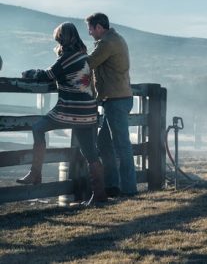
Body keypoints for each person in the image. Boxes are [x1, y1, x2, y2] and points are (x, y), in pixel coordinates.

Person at [17, 22, 107, 205]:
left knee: (38, 128)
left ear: (62, 39)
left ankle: (35, 173)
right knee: (90, 154)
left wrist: (29, 72)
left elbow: (48, 75)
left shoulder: (67, 58)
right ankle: (99, 195)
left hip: (70, 109)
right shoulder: (82, 56)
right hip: (88, 111)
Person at [86, 13, 136, 197]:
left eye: (91, 29)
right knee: (105, 142)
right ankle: (113, 185)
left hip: (115, 100)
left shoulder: (106, 43)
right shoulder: (116, 39)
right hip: (116, 98)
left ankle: (129, 189)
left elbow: (89, 63)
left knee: (122, 144)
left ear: (99, 27)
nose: (90, 33)